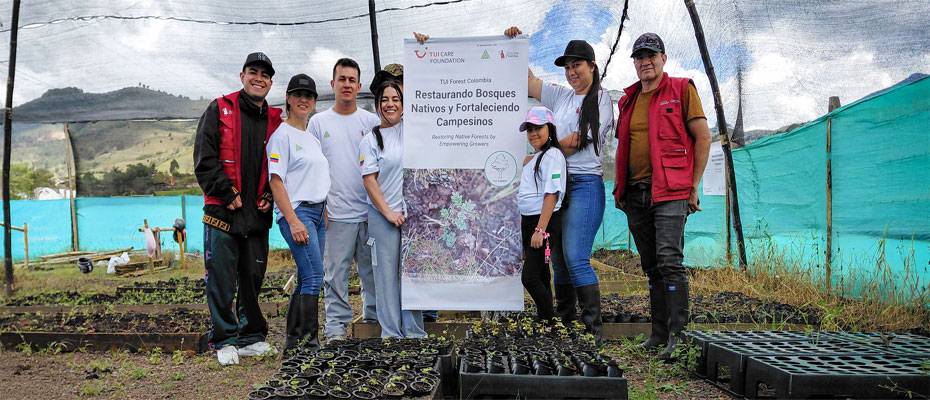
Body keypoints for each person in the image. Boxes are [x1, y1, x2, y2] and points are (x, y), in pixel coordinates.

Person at [505, 27, 615, 341]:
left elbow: (574, 142)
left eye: (577, 65)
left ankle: (593, 330)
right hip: (559, 185)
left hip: (584, 184)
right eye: (567, 67)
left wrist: (536, 158)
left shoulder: (600, 100)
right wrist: (517, 43)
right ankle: (566, 325)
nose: (571, 72)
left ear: (592, 65)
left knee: (576, 255)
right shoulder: (560, 95)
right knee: (562, 261)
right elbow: (528, 82)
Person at [613, 33, 711, 359]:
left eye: (651, 55)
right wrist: (620, 189)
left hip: (670, 190)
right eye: (640, 57)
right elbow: (623, 148)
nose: (646, 61)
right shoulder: (627, 100)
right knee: (652, 266)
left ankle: (678, 337)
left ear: (663, 58)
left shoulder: (682, 90)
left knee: (670, 261)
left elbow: (702, 138)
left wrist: (693, 186)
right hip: (635, 192)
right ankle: (658, 335)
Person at [194, 52, 281, 365]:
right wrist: (227, 191)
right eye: (253, 72)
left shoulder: (275, 120)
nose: (259, 78)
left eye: (265, 75)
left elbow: (281, 166)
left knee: (252, 277)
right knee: (221, 279)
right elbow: (204, 159)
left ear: (271, 82)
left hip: (256, 215)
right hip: (223, 213)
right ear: (242, 75)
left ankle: (250, 337)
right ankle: (224, 340)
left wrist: (270, 194)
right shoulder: (220, 109)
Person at [308, 58, 381, 341]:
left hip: (369, 213)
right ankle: (336, 329)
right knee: (335, 276)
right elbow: (314, 168)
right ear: (333, 84)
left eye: (352, 80)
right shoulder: (318, 123)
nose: (347, 84)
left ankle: (371, 324)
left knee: (372, 274)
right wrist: (320, 204)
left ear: (359, 86)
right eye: (342, 79)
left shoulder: (371, 122)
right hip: (335, 214)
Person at [359, 79, 427, 338]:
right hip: (382, 216)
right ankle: (392, 335)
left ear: (403, 103)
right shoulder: (371, 140)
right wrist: (388, 212)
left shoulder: (411, 130)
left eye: (395, 99)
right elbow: (369, 181)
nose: (390, 104)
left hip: (411, 215)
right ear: (378, 105)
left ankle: (414, 332)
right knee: (385, 277)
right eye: (385, 100)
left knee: (412, 275)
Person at [266, 74, 328, 353]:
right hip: (298, 212)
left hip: (317, 214)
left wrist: (323, 209)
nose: (304, 100)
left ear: (314, 102)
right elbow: (276, 181)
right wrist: (292, 220)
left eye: (309, 96)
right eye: (298, 95)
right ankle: (310, 342)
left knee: (306, 276)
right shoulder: (281, 136)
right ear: (289, 99)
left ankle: (293, 340)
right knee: (315, 275)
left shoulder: (310, 137)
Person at [516, 106, 567, 322]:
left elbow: (551, 195)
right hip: (530, 221)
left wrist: (540, 230)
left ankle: (549, 319)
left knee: (529, 277)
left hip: (542, 223)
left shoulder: (553, 155)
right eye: (530, 129)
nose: (533, 133)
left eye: (538, 127)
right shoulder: (540, 156)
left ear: (550, 128)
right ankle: (545, 321)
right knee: (542, 272)